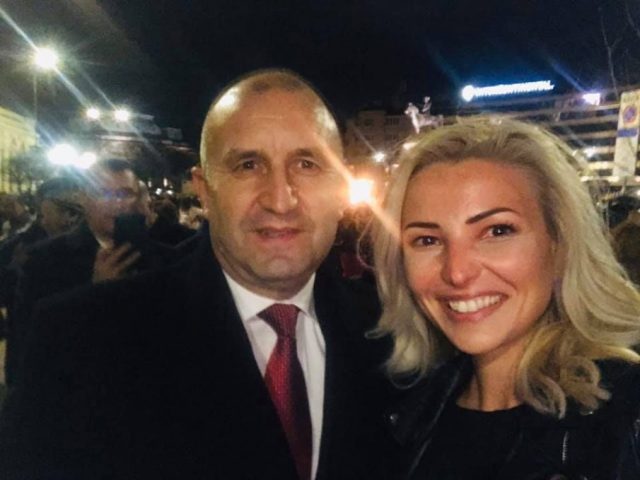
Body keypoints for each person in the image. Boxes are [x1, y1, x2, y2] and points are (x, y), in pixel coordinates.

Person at [0, 69, 397, 479]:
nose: (280, 199)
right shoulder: (81, 338)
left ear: (340, 185)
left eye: (307, 164)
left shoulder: (390, 333)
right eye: (248, 165)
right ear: (204, 189)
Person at [372, 117, 640, 479]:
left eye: (497, 231)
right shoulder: (410, 411)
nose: (457, 272)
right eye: (428, 240)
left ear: (558, 244)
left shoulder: (625, 412)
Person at [5, 159, 176, 385]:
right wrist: (94, 293)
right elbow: (28, 344)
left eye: (125, 194)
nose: (116, 203)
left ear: (139, 198)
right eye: (104, 193)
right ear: (83, 198)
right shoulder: (43, 261)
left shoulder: (168, 259)